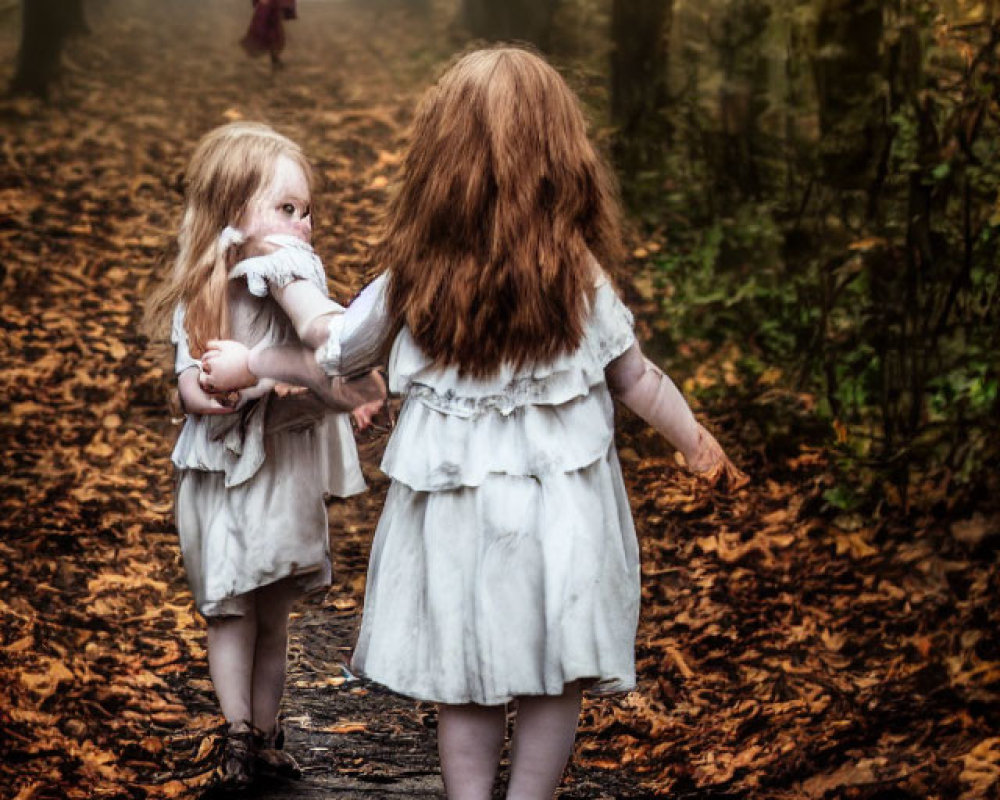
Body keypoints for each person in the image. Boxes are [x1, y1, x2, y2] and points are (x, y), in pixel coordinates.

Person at [199, 48, 745, 799]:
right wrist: (696, 443)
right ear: (561, 159)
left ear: (439, 164)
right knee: (556, 673)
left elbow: (343, 351)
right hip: (565, 513)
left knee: (468, 672)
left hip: (457, 511)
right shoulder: (576, 271)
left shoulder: (416, 273)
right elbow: (635, 378)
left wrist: (267, 343)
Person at [144, 121, 385, 789]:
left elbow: (320, 349)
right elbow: (188, 377)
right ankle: (237, 731)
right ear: (232, 213)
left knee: (272, 613)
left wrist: (349, 389)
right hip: (220, 469)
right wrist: (202, 394)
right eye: (285, 209)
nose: (302, 224)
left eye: (307, 212)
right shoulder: (203, 287)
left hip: (279, 464)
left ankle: (269, 730)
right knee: (227, 606)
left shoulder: (286, 275)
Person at [241, 0, 297, 71]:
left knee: (274, 28)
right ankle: (274, 58)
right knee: (271, 27)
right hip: (269, 5)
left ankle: (274, 58)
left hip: (272, 5)